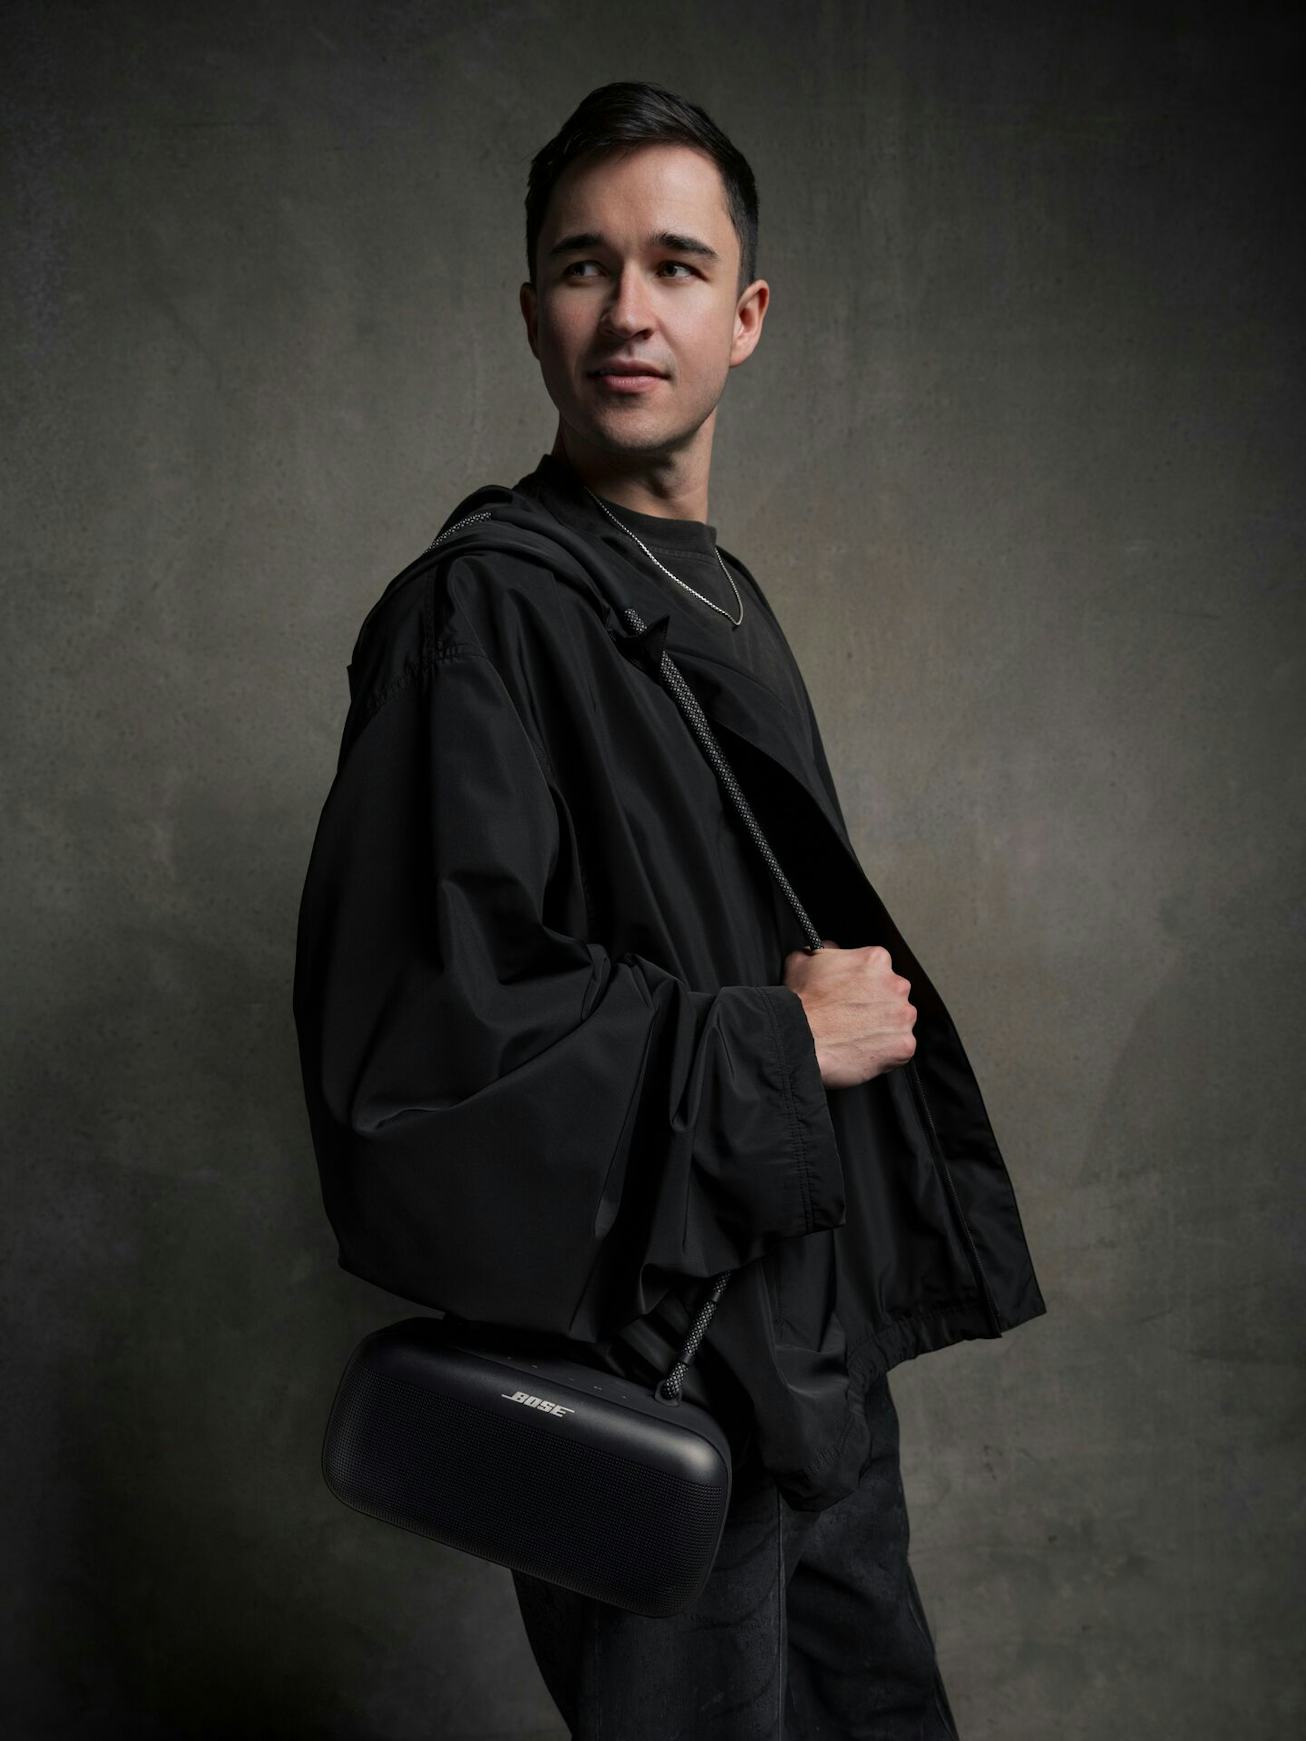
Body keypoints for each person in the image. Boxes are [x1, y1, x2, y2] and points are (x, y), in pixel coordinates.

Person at [293, 79, 1046, 1740]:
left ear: (745, 314)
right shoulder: (477, 617)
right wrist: (778, 1039)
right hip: (659, 1378)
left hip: (814, 1368)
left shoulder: (722, 595)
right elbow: (420, 1050)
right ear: (531, 311)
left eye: (675, 265)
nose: (628, 310)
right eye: (583, 265)